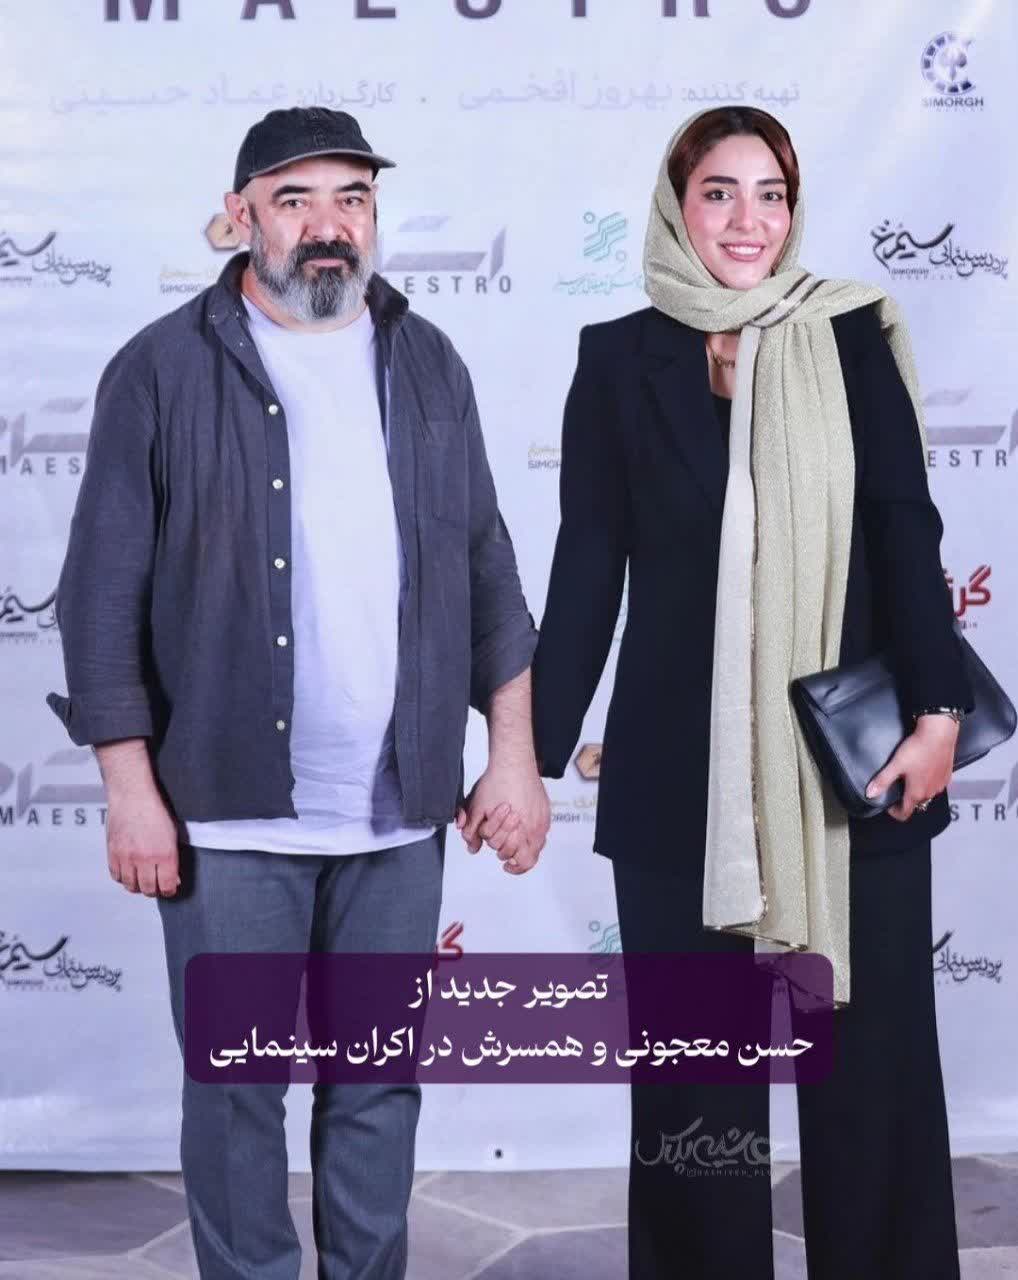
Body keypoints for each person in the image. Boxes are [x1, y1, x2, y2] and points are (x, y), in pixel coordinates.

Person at [48, 106, 550, 1280]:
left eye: (352, 199)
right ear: (240, 218)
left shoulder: (428, 361)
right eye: (295, 200)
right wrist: (130, 789)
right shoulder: (162, 368)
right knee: (237, 1093)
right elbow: (99, 594)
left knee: (378, 1083)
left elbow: (486, 567)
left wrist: (513, 754)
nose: (329, 226)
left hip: (397, 814)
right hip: (225, 813)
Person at [530, 107, 972, 1280]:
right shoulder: (618, 357)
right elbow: (588, 564)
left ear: (793, 207)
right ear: (676, 206)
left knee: (871, 1073)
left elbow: (903, 528)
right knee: (694, 1089)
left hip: (855, 761)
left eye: (769, 192)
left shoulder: (848, 335)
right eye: (718, 192)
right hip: (682, 772)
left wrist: (939, 715)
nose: (746, 219)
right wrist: (525, 749)